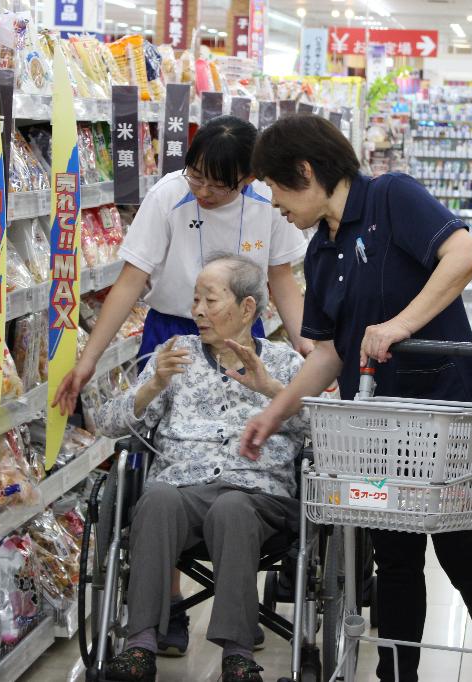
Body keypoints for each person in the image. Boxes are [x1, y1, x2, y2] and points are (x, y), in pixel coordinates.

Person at [240, 114, 472, 682]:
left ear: (306, 171)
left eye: (275, 187)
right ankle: (397, 675)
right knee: (393, 558)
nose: (274, 204)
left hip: (445, 410)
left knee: (462, 548)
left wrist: (400, 324)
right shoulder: (320, 252)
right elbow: (329, 353)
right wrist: (273, 412)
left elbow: (464, 254)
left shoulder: (391, 196)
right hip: (376, 426)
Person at [53, 115, 309, 654]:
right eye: (198, 177)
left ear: (246, 178)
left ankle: (241, 612)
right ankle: (163, 610)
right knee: (161, 461)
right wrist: (88, 360)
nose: (206, 191)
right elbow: (131, 280)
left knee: (250, 451)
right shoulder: (169, 194)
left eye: (221, 183)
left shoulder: (267, 201)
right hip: (173, 327)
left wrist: (310, 354)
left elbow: (282, 276)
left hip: (244, 327)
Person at [96, 255, 307, 682]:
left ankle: (238, 654)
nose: (197, 311)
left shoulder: (286, 364)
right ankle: (139, 646)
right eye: (195, 300)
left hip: (258, 496)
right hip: (182, 489)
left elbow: (325, 436)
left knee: (233, 509)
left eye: (210, 300)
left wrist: (272, 390)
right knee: (155, 499)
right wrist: (153, 384)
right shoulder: (174, 356)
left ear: (247, 308)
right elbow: (108, 424)